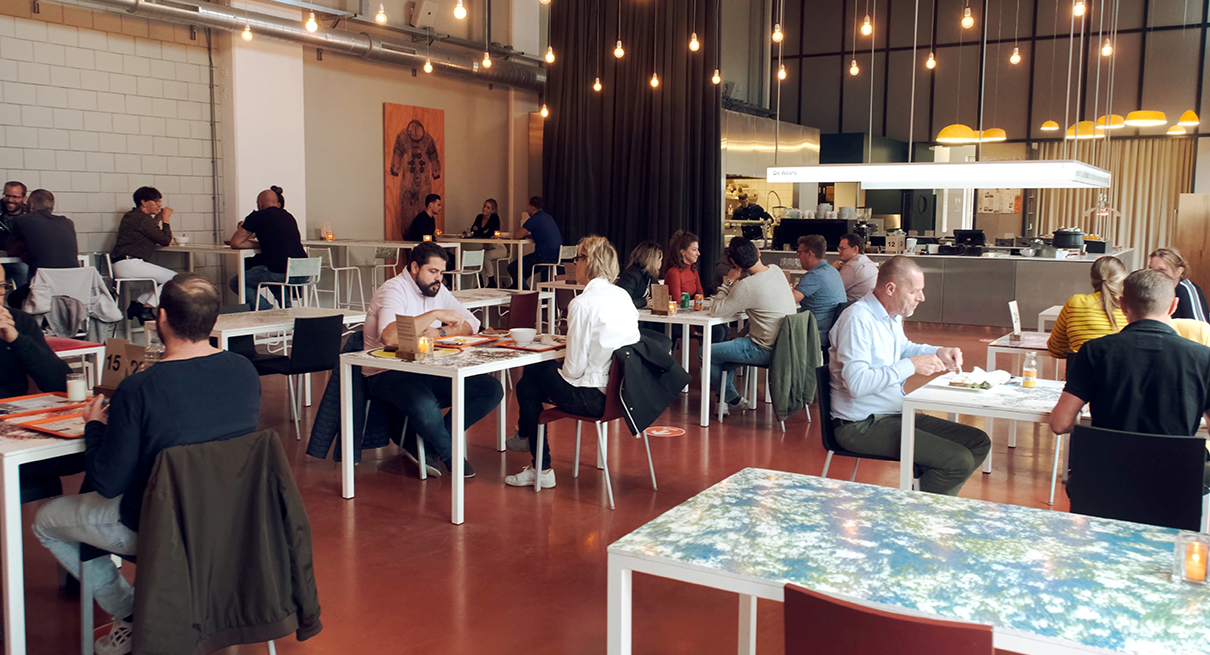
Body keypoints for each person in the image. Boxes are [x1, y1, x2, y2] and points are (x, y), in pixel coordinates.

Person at [33, 273, 261, 655]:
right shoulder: (245, 372)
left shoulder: (139, 389)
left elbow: (108, 482)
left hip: (158, 527)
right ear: (215, 320)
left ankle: (129, 611)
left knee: (46, 521)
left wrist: (94, 426)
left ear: (161, 318)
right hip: (230, 520)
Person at [828, 256, 991, 495]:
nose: (921, 298)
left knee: (978, 441)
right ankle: (919, 507)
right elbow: (857, 384)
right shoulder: (857, 319)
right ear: (890, 289)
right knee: (958, 461)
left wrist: (937, 351)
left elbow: (903, 348)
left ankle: (924, 496)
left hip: (892, 413)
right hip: (860, 424)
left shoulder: (891, 316)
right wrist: (911, 366)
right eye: (915, 291)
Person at [1049, 270, 1210, 495]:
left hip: (1103, 484)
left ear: (1123, 305)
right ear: (1173, 306)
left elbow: (1060, 423)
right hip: (1174, 490)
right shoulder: (1203, 358)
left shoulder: (1095, 351)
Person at [505, 236, 640, 488]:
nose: (574, 264)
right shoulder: (623, 296)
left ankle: (539, 462)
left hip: (593, 399)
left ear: (588, 262)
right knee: (533, 378)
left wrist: (559, 362)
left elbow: (574, 370)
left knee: (528, 381)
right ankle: (528, 444)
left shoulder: (582, 304)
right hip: (621, 396)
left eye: (577, 258)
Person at [362, 242, 503, 478]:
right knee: (425, 403)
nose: (439, 278)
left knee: (490, 389)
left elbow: (472, 323)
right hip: (385, 372)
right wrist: (435, 315)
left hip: (427, 368)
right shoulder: (393, 290)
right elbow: (390, 337)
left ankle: (429, 445)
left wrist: (440, 332)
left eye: (442, 273)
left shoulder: (437, 289)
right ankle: (449, 454)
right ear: (414, 267)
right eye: (433, 271)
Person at [708, 237, 797, 410]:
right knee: (725, 353)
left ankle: (731, 398)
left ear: (735, 264)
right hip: (786, 347)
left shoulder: (747, 286)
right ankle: (725, 399)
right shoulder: (776, 270)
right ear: (758, 252)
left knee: (706, 353)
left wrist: (728, 282)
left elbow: (716, 310)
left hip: (763, 349)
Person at [227, 186, 307, 309]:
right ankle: (287, 308)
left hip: (280, 270)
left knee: (237, 283)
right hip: (302, 270)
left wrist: (261, 243)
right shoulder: (288, 216)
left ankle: (267, 310)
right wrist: (265, 243)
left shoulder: (257, 216)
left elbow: (236, 243)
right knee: (271, 273)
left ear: (259, 203)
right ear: (277, 203)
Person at [0, 263, 71, 398]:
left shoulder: (19, 321)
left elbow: (62, 384)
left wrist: (16, 339)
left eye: (0, 286)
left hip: (14, 407)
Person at [111, 187, 177, 319]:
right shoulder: (142, 219)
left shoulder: (133, 216)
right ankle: (146, 308)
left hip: (122, 264)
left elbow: (150, 232)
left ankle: (137, 305)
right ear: (144, 202)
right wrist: (165, 220)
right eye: (156, 201)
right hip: (130, 264)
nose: (160, 205)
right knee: (175, 279)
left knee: (160, 281)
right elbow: (164, 240)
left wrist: (157, 219)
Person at [6, 189, 79, 308]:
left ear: (31, 204)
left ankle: (31, 320)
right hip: (72, 289)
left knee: (13, 299)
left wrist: (25, 253)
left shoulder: (23, 220)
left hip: (43, 288)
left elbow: (11, 250)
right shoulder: (68, 222)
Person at [1046, 256, 1127, 357]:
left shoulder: (1075, 302)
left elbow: (1056, 348)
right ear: (1123, 280)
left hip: (1082, 366)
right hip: (1120, 367)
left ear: (1092, 280)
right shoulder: (1130, 307)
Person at [792, 234, 846, 348]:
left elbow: (789, 300)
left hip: (816, 334)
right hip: (834, 332)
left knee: (777, 335)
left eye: (799, 253)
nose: (798, 257)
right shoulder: (832, 270)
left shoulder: (815, 275)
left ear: (810, 254)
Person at [507, 196, 562, 290]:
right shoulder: (549, 217)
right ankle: (515, 289)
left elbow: (517, 235)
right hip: (556, 256)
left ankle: (527, 293)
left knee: (513, 268)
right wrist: (532, 236)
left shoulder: (534, 219)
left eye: (528, 206)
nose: (527, 209)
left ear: (532, 207)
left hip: (542, 256)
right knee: (522, 274)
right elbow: (545, 234)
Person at [1149, 247, 1208, 322]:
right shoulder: (1148, 289)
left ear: (1179, 271)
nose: (1155, 274)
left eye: (1162, 270)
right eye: (1151, 269)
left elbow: (1200, 324)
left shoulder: (1186, 290)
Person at [467, 198, 506, 287]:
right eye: (484, 206)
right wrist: (483, 231)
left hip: (498, 248)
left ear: (493, 210)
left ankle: (491, 281)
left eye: (488, 208)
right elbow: (474, 232)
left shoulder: (494, 218)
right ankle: (480, 281)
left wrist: (480, 230)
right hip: (487, 247)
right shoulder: (479, 217)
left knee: (484, 256)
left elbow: (490, 233)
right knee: (475, 256)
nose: (484, 209)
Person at [615, 240, 663, 309]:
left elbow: (659, 298)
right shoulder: (631, 276)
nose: (661, 263)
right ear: (653, 261)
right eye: (660, 260)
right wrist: (644, 302)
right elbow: (622, 302)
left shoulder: (650, 276)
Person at [0, 181, 30, 289]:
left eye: (15, 197)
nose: (10, 200)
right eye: (7, 195)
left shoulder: (31, 216)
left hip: (22, 261)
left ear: (24, 198)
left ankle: (21, 298)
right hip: (2, 262)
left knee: (24, 268)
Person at [833, 233, 878, 302]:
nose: (839, 251)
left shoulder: (852, 266)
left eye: (843, 248)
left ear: (855, 249)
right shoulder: (866, 261)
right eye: (839, 248)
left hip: (853, 306)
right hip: (868, 304)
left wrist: (832, 269)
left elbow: (832, 289)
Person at [663, 230, 704, 299]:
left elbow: (701, 296)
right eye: (694, 250)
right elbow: (677, 301)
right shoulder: (674, 273)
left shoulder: (693, 270)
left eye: (697, 250)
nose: (698, 253)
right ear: (683, 252)